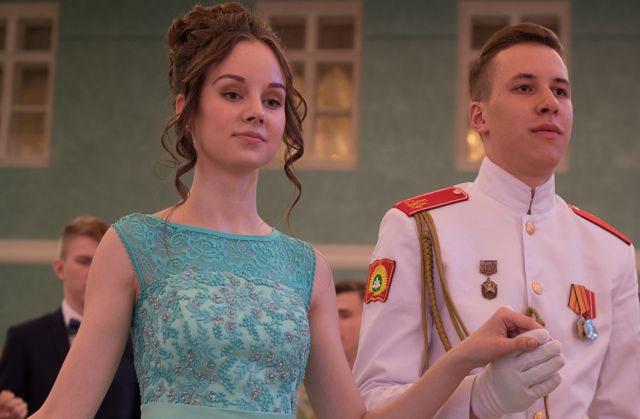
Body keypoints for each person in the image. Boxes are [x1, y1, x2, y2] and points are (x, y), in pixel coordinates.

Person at [29, 6, 563, 419]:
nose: (255, 113)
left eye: (272, 100)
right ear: (186, 109)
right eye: (232, 93)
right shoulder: (135, 244)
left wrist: (462, 359)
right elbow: (64, 412)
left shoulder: (307, 268)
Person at [353, 22, 640, 418]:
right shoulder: (420, 229)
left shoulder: (611, 252)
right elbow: (374, 399)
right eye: (525, 87)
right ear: (479, 116)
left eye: (560, 91)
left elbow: (622, 409)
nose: (550, 103)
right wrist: (477, 398)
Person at [0, 216, 140, 419]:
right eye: (84, 261)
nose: (94, 271)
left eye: (101, 262)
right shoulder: (23, 340)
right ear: (59, 268)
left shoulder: (135, 342)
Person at [296, 280, 365, 419]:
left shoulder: (384, 388)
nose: (332, 323)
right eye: (329, 316)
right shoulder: (300, 391)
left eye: (344, 315)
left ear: (368, 320)